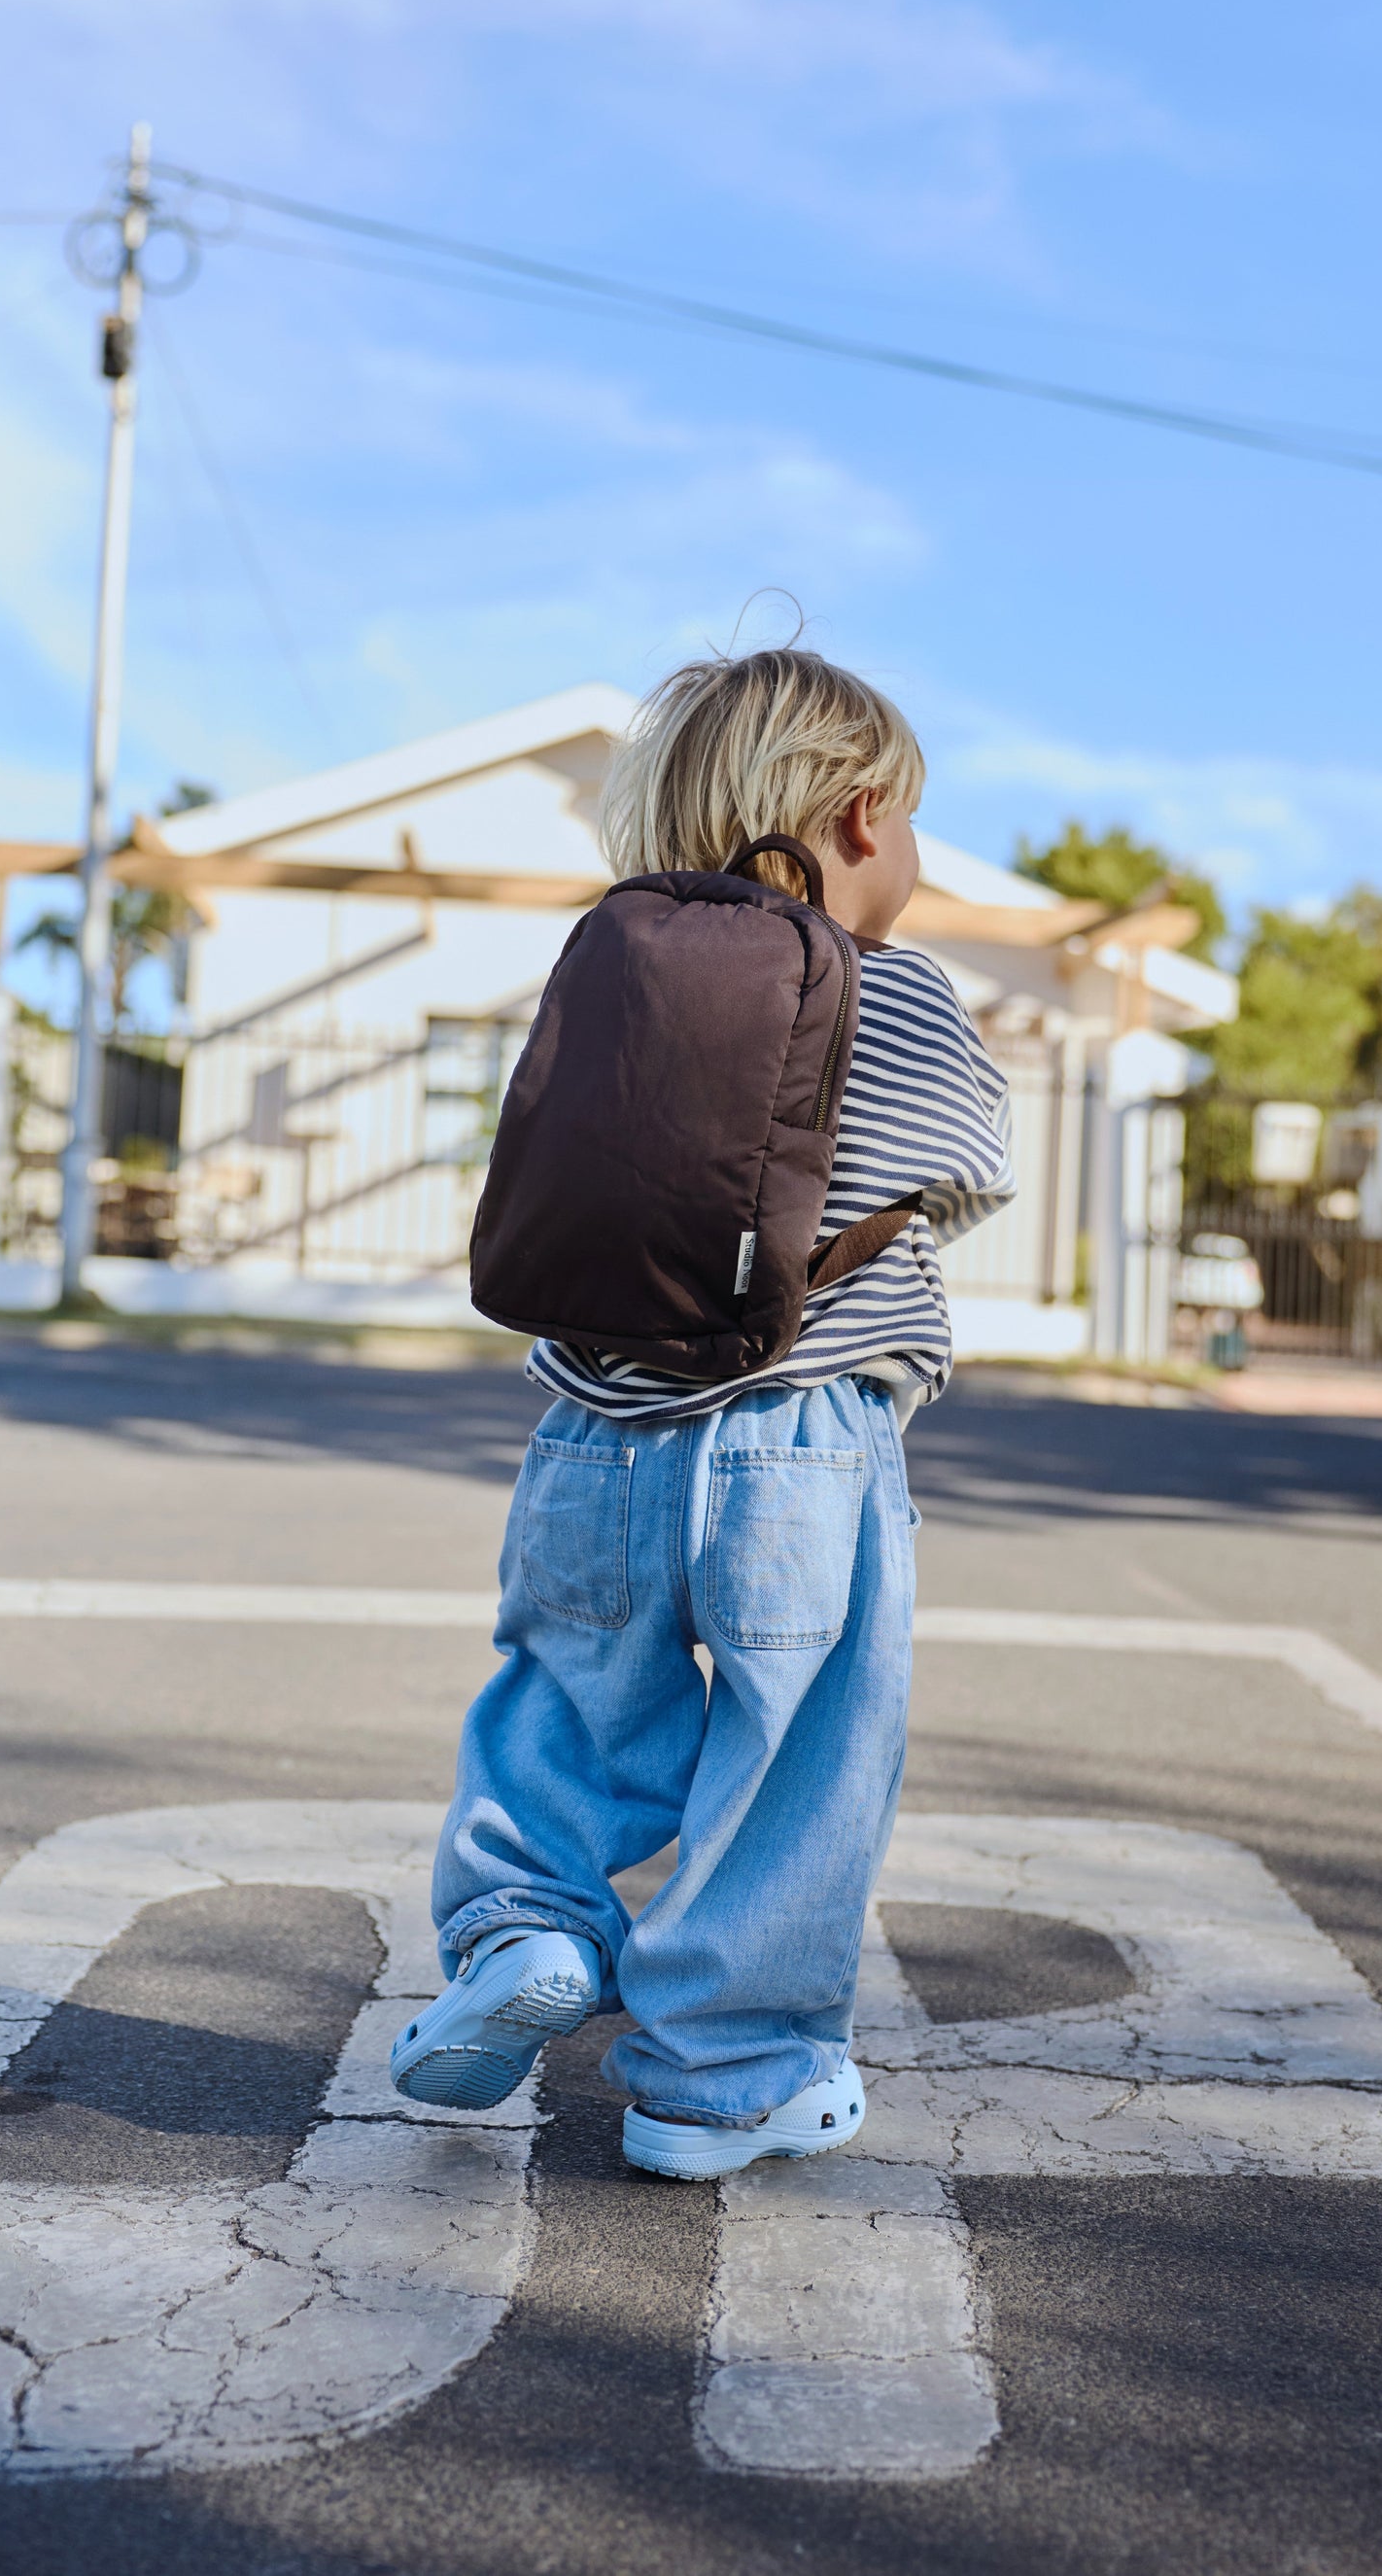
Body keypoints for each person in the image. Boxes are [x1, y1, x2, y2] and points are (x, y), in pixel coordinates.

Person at [391, 645, 1014, 2180]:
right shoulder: (901, 990)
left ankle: (523, 1929)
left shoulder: (609, 984)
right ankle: (719, 2077)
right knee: (796, 1753)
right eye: (915, 822)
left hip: (591, 1430)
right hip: (800, 1445)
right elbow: (974, 1169)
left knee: (569, 1698)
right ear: (864, 818)